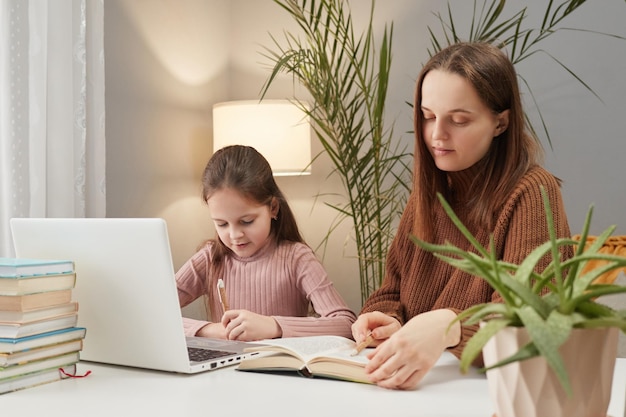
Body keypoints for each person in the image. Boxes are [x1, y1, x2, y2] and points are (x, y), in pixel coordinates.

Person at [351, 42, 572, 390]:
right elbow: (390, 293)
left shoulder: (532, 192)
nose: (437, 135)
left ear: (500, 123)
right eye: (427, 116)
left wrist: (447, 326)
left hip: (491, 396)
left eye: (458, 120)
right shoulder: (429, 193)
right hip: (419, 393)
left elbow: (530, 324)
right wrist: (387, 320)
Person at [176, 144, 356, 341]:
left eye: (247, 221)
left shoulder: (296, 258)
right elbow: (148, 310)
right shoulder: (211, 258)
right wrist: (211, 330)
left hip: (280, 371)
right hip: (222, 371)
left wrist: (274, 326)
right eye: (222, 224)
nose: (235, 235)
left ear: (273, 208)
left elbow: (345, 323)